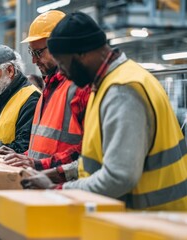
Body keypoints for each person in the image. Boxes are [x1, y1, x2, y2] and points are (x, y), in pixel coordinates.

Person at [21, 12, 187, 210]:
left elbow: (118, 177)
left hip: (152, 220)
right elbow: (98, 161)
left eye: (64, 63)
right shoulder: (107, 85)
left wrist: (58, 191)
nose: (63, 73)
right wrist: (55, 173)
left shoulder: (122, 91)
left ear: (83, 53)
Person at [1, 10, 90, 184]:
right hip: (41, 185)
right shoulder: (49, 89)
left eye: (38, 53)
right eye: (31, 53)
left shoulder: (79, 87)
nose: (34, 61)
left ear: (60, 46)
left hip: (64, 190)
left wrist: (37, 165)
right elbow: (43, 145)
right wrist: (24, 157)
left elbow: (88, 151)